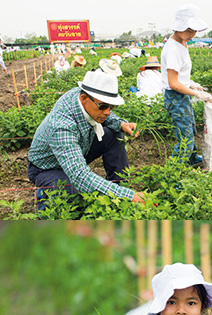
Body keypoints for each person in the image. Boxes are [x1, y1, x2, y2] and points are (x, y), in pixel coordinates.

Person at [27, 69, 144, 210]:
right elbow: (79, 176)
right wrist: (129, 196)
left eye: (111, 106)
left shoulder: (87, 95)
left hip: (79, 148)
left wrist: (121, 124)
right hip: (48, 167)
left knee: (115, 134)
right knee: (73, 192)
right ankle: (43, 194)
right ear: (83, 99)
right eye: (103, 106)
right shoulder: (61, 126)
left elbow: (105, 113)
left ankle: (118, 187)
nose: (107, 112)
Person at [161, 4, 212, 165]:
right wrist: (197, 94)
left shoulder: (182, 43)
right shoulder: (173, 49)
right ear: (179, 27)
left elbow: (179, 75)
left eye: (194, 31)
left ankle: (191, 159)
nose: (192, 34)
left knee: (190, 128)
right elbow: (173, 83)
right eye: (189, 30)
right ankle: (175, 173)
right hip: (175, 96)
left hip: (182, 94)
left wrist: (192, 84)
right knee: (185, 137)